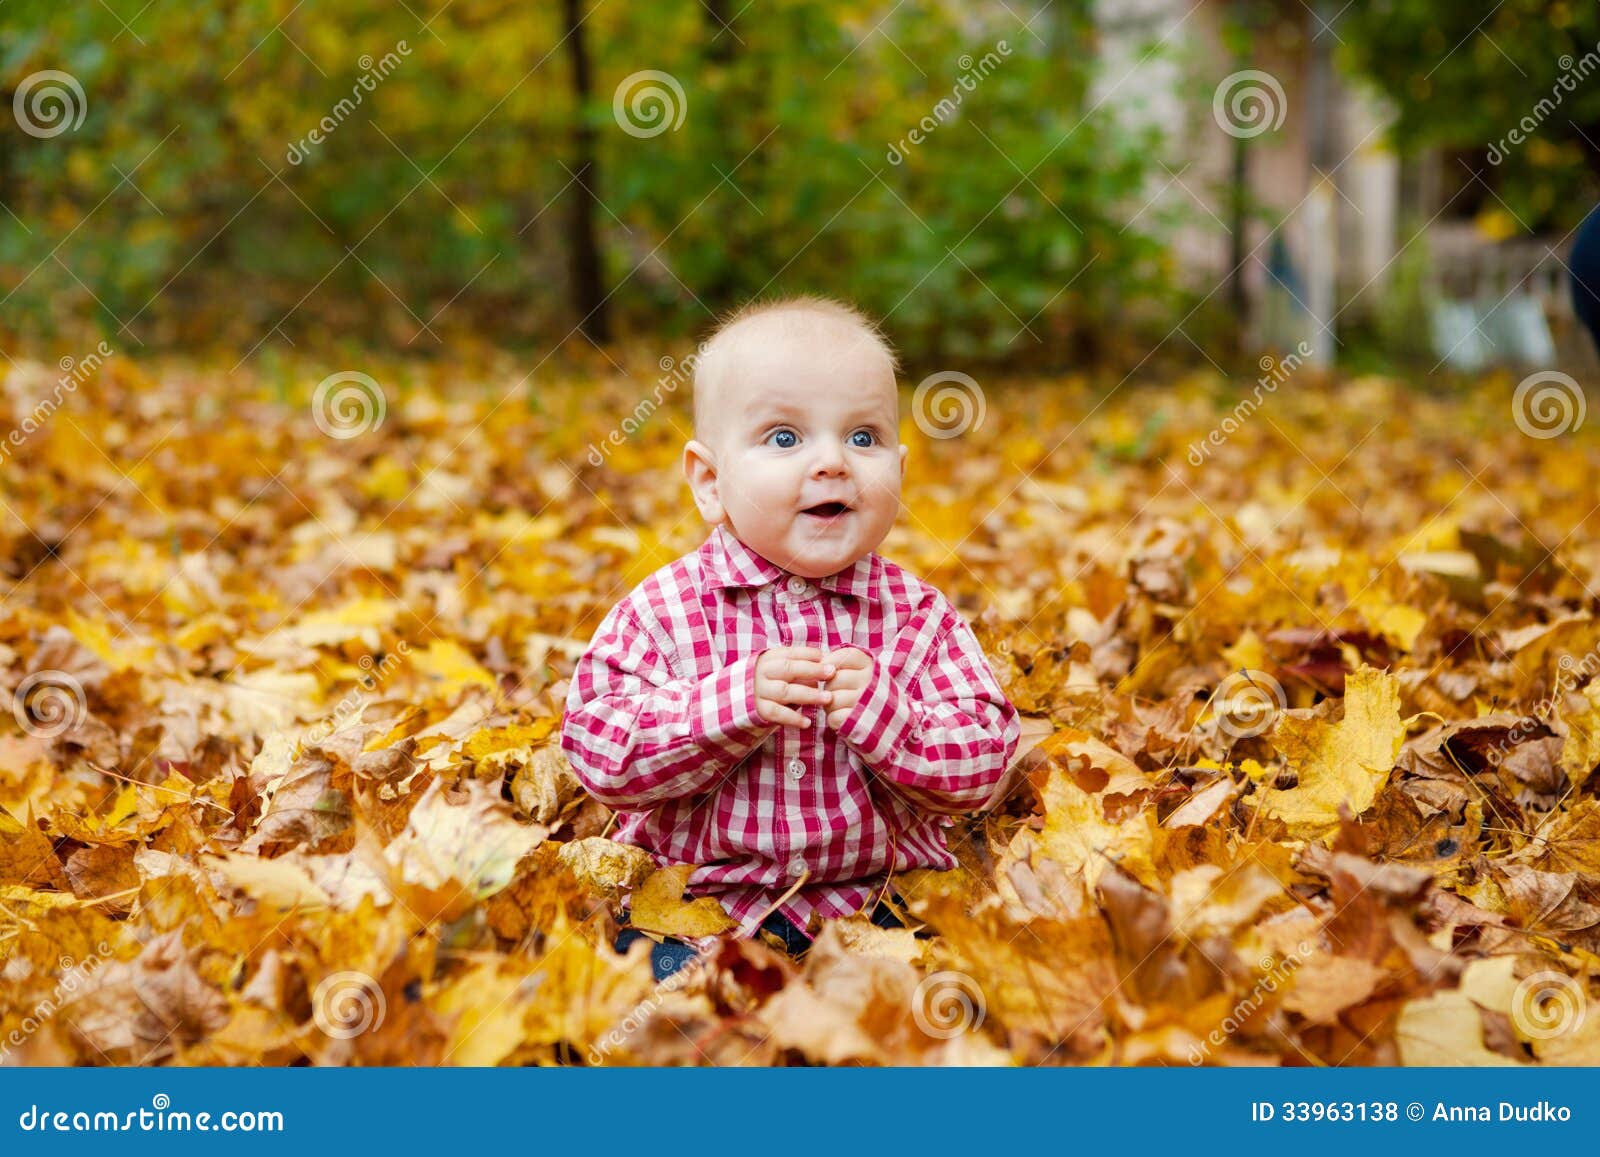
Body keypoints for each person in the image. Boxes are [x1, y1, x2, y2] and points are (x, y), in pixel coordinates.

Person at [559, 295, 1020, 982]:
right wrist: (723, 707)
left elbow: (984, 756)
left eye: (862, 438)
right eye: (785, 437)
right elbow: (595, 750)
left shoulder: (917, 617)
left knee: (957, 997)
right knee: (658, 1007)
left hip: (879, 907)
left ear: (901, 466)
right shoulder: (665, 611)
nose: (833, 462)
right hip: (701, 907)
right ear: (710, 482)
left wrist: (895, 724)